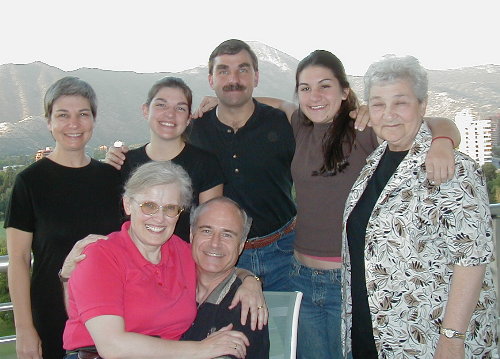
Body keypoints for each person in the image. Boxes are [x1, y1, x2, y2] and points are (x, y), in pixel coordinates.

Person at [196, 49, 461, 359]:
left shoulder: (363, 130)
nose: (314, 95)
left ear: (344, 91)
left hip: (348, 279)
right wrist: (219, 101)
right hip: (300, 277)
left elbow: (437, 123)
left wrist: (442, 143)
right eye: (305, 88)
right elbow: (268, 103)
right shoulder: (298, 124)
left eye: (325, 86)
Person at [108, 39, 296, 291]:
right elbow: (163, 145)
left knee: (289, 328)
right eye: (223, 71)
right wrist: (119, 155)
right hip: (218, 255)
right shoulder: (196, 128)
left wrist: (287, 104)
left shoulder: (282, 123)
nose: (233, 78)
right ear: (211, 80)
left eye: (243, 69)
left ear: (256, 76)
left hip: (283, 251)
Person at [343, 55, 497, 358]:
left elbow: (472, 260)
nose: (388, 115)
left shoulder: (452, 167)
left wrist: (452, 339)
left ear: (422, 106)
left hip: (428, 339)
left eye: (400, 102)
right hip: (376, 332)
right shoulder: (374, 163)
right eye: (378, 104)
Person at [63, 161, 259, 359]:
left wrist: (250, 281)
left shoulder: (182, 253)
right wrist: (202, 349)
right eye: (149, 206)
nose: (159, 218)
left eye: (170, 208)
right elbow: (113, 347)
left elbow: (217, 266)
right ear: (128, 205)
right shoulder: (102, 256)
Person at [4, 76, 124, 359]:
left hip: (110, 316)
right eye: (63, 115)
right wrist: (24, 329)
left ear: (93, 120)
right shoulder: (29, 182)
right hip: (52, 315)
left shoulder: (111, 178)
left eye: (83, 114)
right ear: (49, 122)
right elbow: (18, 261)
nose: (74, 124)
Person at [107, 76, 224, 241]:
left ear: (189, 117)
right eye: (161, 105)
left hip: (184, 261)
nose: (170, 114)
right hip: (131, 263)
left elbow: (208, 229)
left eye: (180, 108)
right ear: (145, 110)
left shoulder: (206, 164)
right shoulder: (123, 163)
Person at [181, 196, 270, 359]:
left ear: (241, 245)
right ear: (192, 236)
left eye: (227, 235)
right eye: (207, 231)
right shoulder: (171, 283)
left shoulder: (244, 307)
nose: (215, 243)